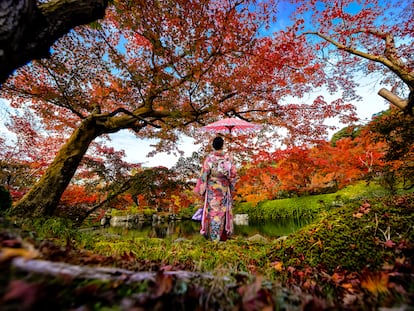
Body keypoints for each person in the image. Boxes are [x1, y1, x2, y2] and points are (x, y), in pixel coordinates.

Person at [194, 136, 237, 241]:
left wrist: (202, 188)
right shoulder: (227, 159)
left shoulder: (209, 159)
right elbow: (233, 174)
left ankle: (213, 237)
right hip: (223, 189)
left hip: (211, 190)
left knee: (212, 212)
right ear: (223, 145)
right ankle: (222, 236)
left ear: (213, 146)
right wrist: (231, 184)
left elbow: (204, 175)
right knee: (222, 211)